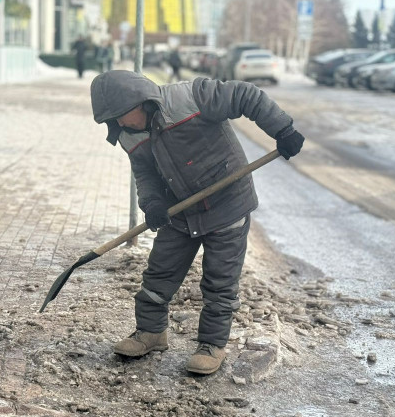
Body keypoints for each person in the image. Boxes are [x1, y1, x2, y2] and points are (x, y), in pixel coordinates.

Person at [89, 71, 304, 375]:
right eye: (113, 119)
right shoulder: (128, 133)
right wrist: (153, 205)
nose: (120, 123)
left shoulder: (190, 98)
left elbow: (245, 95)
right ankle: (151, 333)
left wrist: (282, 128)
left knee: (220, 281)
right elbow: (145, 174)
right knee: (159, 273)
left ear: (141, 101)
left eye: (121, 115)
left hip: (227, 203)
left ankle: (212, 345)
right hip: (180, 210)